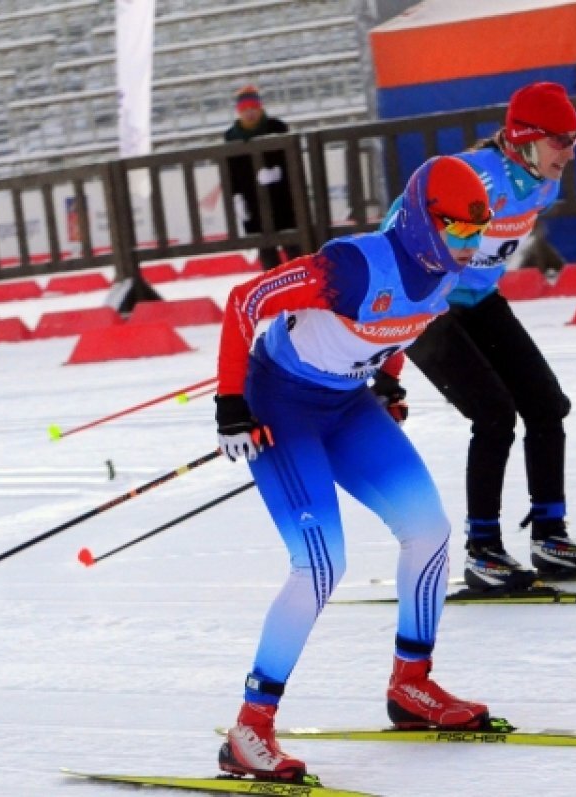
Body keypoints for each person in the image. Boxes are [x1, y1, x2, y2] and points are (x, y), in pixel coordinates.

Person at [214, 155, 496, 782]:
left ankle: (411, 687)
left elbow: (401, 330)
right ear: (426, 223)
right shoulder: (352, 265)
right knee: (320, 564)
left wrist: (390, 385)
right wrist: (231, 402)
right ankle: (248, 730)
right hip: (281, 404)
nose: (471, 246)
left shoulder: (443, 272)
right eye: (459, 233)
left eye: (479, 234)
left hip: (347, 404)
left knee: (428, 529)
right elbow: (247, 298)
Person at [387, 82, 576, 593]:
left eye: (575, 140)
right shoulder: (474, 177)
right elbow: (394, 236)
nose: (571, 152)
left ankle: (550, 537)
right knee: (494, 414)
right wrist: (385, 360)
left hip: (475, 300)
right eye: (561, 140)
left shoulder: (542, 183)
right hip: (428, 306)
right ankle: (483, 551)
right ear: (525, 140)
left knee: (546, 405)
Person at [224, 85, 302, 269]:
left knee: (293, 247)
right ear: (239, 112)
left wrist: (278, 173)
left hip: (282, 200)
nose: (250, 113)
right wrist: (235, 197)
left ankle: (302, 285)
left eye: (253, 108)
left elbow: (290, 158)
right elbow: (231, 171)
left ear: (260, 108)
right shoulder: (231, 136)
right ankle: (274, 291)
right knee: (266, 250)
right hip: (253, 204)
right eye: (245, 109)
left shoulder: (277, 127)